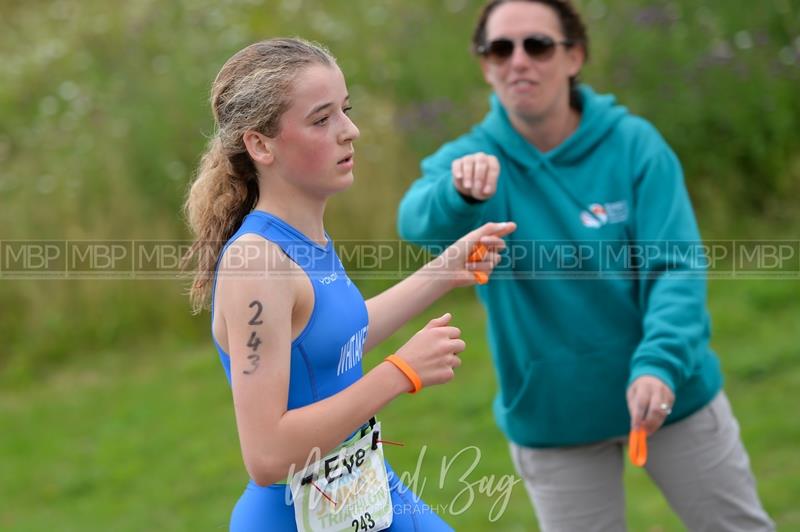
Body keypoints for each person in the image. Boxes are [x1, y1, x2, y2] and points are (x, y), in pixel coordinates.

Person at [397, 1, 775, 530]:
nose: (518, 61)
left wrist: (662, 364)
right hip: (553, 417)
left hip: (672, 394)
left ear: (574, 56)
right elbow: (417, 225)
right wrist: (459, 195)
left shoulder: (635, 145)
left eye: (538, 45)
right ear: (485, 65)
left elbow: (676, 267)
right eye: (500, 49)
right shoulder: (472, 161)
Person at [181, 38, 515, 531]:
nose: (350, 131)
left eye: (346, 110)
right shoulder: (258, 265)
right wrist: (400, 372)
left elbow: (334, 337)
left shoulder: (304, 235)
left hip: (362, 492)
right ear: (260, 144)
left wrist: (445, 270)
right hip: (294, 516)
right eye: (322, 119)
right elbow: (267, 454)